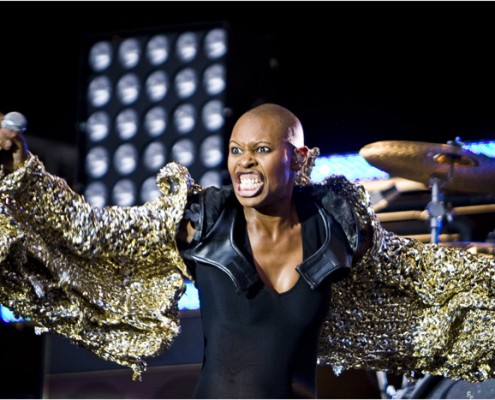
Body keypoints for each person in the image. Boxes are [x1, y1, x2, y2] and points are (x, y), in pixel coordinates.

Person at [0, 103, 495, 399]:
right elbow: (95, 231)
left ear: (297, 157)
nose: (244, 163)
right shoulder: (204, 220)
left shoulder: (339, 229)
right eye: (236, 150)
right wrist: (24, 174)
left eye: (260, 149)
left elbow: (428, 275)